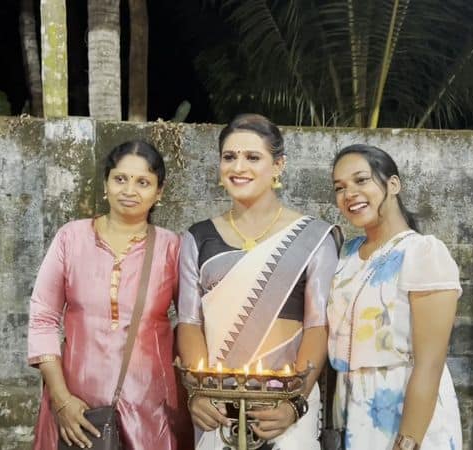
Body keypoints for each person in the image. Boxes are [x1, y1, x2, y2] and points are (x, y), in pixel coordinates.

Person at [177, 114, 339, 450]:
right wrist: (200, 393)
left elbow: (317, 325)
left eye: (253, 157)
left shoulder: (314, 238)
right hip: (216, 405)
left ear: (278, 165)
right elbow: (190, 323)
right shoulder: (198, 238)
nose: (239, 166)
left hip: (286, 403)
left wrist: (294, 402)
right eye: (229, 156)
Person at [27, 141, 188, 450]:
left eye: (143, 182)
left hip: (150, 410)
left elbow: (192, 320)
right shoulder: (71, 238)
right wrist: (61, 400)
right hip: (77, 408)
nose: (129, 190)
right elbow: (43, 317)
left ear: (159, 192)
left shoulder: (171, 247)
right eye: (120, 179)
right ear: (106, 183)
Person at [328, 144, 463, 450]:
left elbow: (430, 363)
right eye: (340, 187)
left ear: (393, 184)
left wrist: (409, 441)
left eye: (361, 180)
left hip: (405, 408)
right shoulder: (345, 255)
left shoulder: (423, 253)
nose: (349, 193)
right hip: (350, 408)